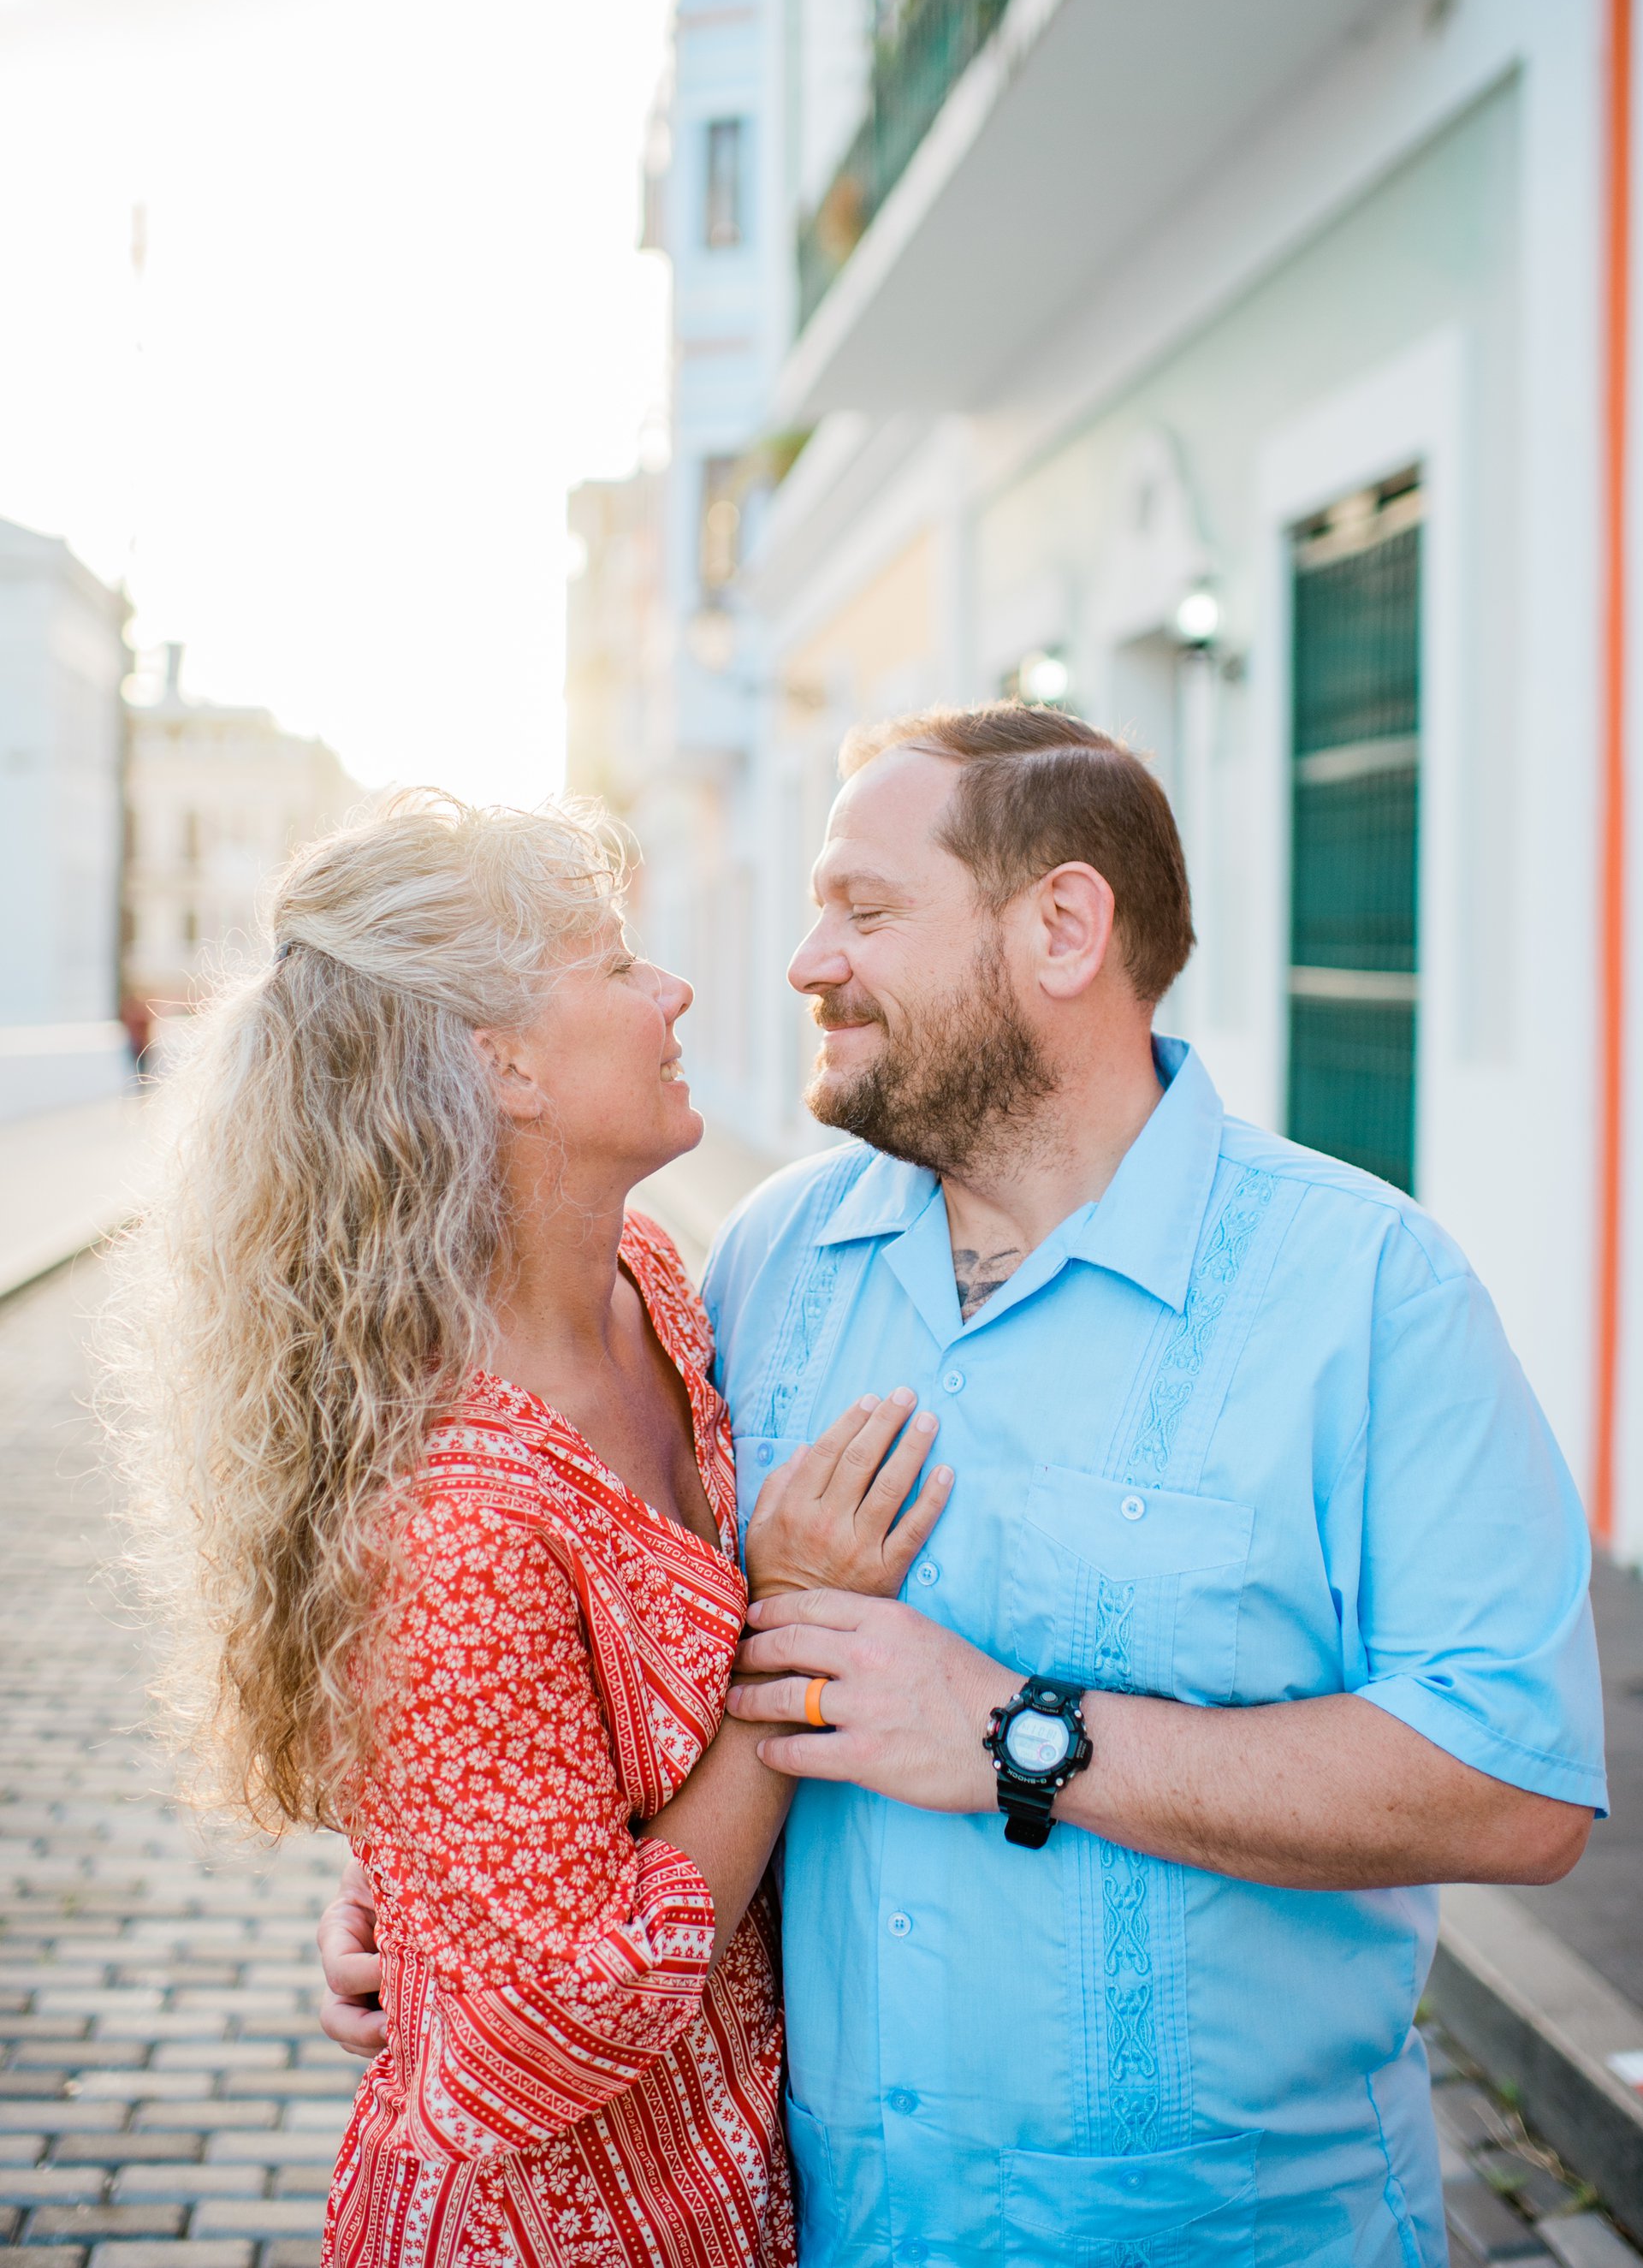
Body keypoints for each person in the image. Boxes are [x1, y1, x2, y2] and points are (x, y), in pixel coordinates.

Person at [321, 709, 1606, 2267]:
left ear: (1063, 927)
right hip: (838, 2230)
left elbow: (1520, 1781)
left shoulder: (1368, 1291)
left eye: (865, 910)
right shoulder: (764, 1264)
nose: (803, 961)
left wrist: (1017, 1736)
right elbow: (600, 1642)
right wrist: (446, 1894)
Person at [112, 791, 955, 2268]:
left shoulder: (649, 1278)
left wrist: (429, 1890)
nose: (677, 989)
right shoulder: (453, 1516)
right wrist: (790, 1629)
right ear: (500, 1061)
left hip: (743, 2175)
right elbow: (536, 2037)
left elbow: (518, 1792)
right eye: (619, 964)